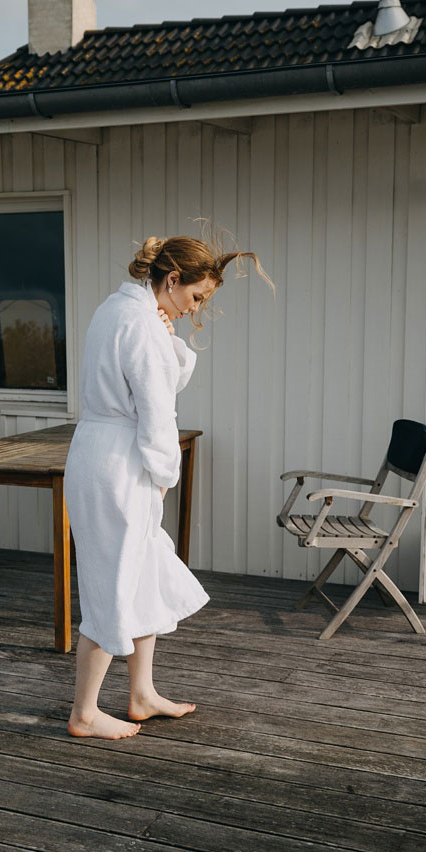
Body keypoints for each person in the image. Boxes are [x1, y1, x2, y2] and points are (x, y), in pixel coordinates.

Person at [64, 233, 271, 740]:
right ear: (172, 280)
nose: (194, 310)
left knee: (144, 571)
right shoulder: (142, 326)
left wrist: (169, 338)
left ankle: (141, 693)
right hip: (121, 464)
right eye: (196, 297)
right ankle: (85, 713)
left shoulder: (117, 310)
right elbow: (158, 414)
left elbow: (154, 376)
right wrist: (163, 477)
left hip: (96, 453)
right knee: (114, 581)